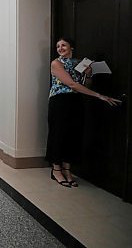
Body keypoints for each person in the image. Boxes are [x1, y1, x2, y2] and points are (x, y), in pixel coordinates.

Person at [46, 37, 121, 188]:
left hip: (76, 102)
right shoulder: (56, 63)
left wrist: (89, 74)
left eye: (63, 45)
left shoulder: (79, 63)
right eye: (58, 46)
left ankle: (67, 170)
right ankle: (56, 170)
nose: (60, 48)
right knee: (58, 134)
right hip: (59, 102)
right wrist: (99, 96)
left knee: (73, 135)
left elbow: (85, 84)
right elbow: (72, 84)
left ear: (71, 47)